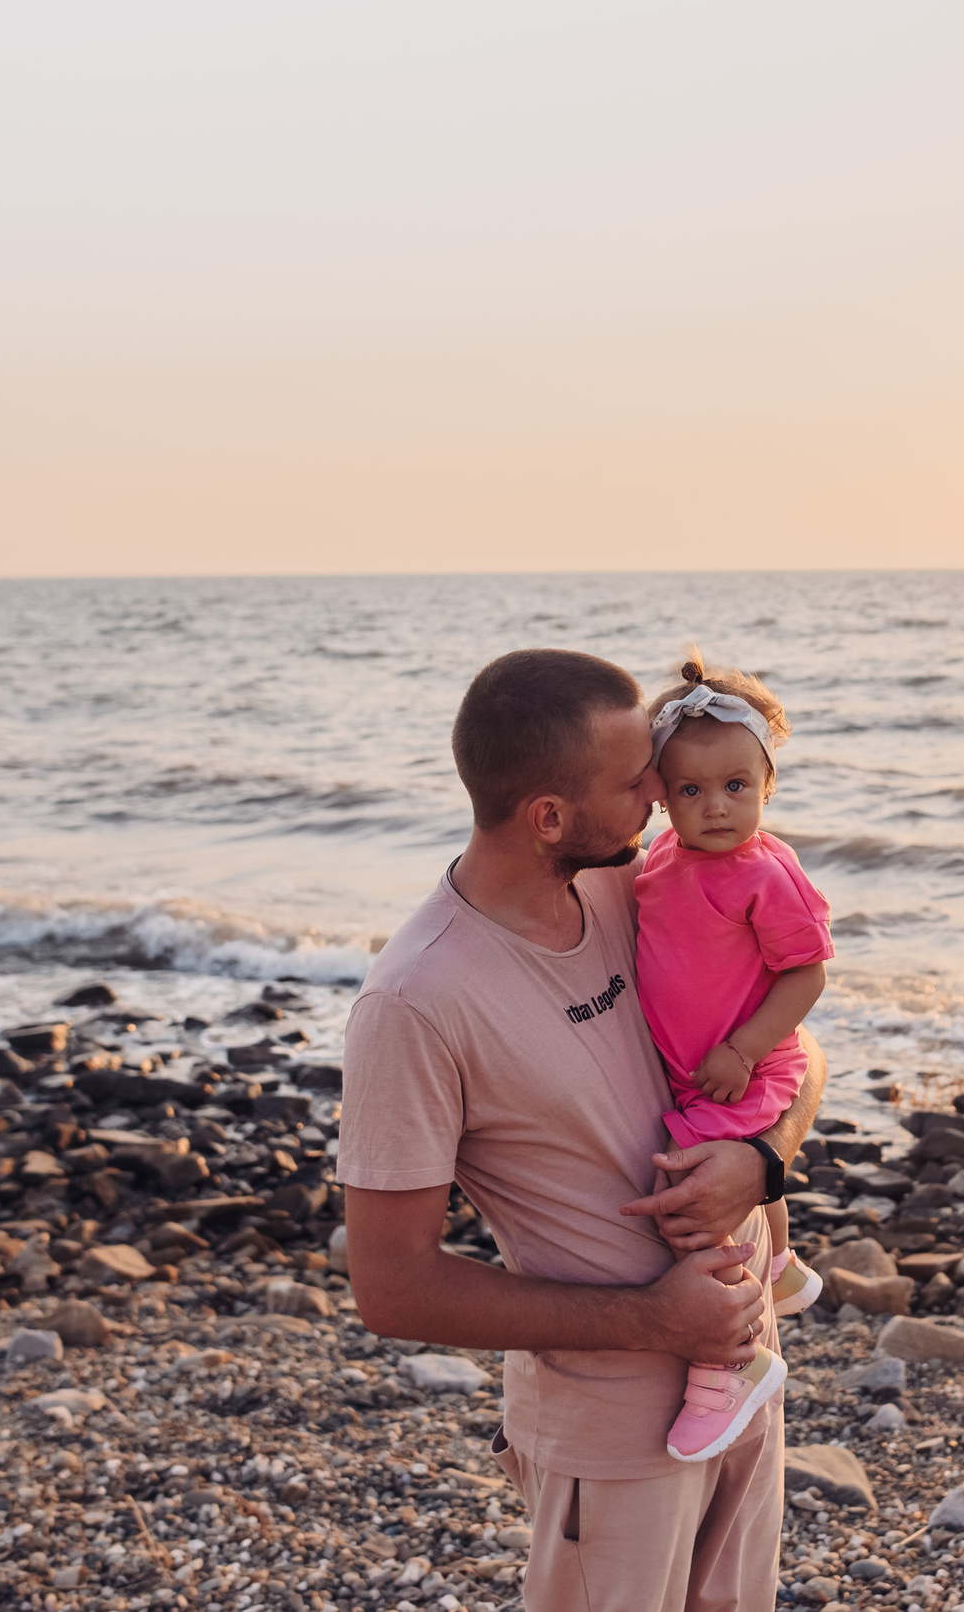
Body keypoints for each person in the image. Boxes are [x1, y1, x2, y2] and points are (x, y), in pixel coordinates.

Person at [339, 648, 825, 1611]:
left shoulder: (638, 885)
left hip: (741, 1374)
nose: (660, 789)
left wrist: (762, 1160)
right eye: (633, 776)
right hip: (610, 1439)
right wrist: (653, 1320)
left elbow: (799, 1052)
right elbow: (391, 1286)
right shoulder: (416, 1001)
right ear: (548, 817)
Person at [636, 651, 831, 1463]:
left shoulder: (761, 873)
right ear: (659, 794)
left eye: (736, 787)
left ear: (767, 783)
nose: (716, 807)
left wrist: (745, 1049)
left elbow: (806, 971)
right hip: (698, 1065)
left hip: (746, 1062)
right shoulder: (658, 861)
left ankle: (733, 1356)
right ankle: (778, 1261)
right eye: (691, 790)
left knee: (691, 1200)